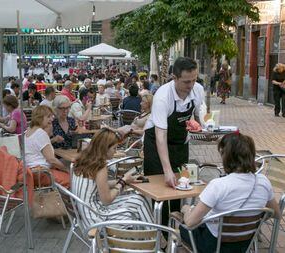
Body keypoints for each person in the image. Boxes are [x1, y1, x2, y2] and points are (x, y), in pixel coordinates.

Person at [179, 133, 281, 253]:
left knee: (182, 226)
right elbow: (276, 214)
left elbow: (190, 222)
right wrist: (252, 213)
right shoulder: (263, 182)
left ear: (226, 156)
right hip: (244, 245)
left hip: (213, 246)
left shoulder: (218, 185)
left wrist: (186, 209)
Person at [143, 57, 204, 225]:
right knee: (160, 191)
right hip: (155, 144)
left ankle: (176, 228)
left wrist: (204, 128)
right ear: (174, 78)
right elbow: (160, 135)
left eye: (194, 80)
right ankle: (161, 232)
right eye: (186, 82)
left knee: (181, 186)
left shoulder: (197, 90)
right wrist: (167, 170)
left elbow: (200, 117)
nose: (191, 85)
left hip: (179, 143)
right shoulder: (163, 96)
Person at [72, 128, 153, 229]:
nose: (115, 152)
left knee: (138, 200)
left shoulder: (84, 159)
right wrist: (122, 182)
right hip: (97, 221)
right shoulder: (100, 167)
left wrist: (124, 180)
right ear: (105, 148)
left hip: (86, 215)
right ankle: (155, 239)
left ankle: (153, 238)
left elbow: (96, 185)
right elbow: (107, 200)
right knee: (136, 210)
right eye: (114, 148)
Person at [25, 105, 70, 187]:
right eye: (48, 116)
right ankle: (65, 198)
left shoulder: (29, 130)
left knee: (63, 165)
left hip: (30, 171)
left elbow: (38, 146)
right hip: (41, 173)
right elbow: (51, 160)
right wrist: (67, 170)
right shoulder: (41, 133)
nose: (51, 119)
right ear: (40, 117)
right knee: (70, 178)